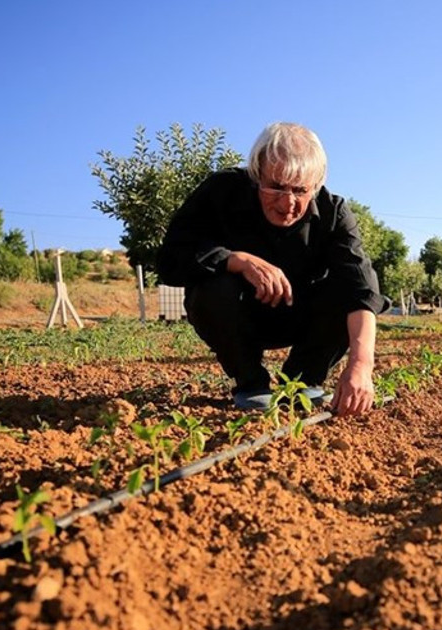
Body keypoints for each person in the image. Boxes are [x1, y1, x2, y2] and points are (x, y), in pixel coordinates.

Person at [157, 122, 388, 416]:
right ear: (257, 174)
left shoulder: (334, 213)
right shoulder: (221, 192)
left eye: (300, 190)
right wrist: (236, 260)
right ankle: (251, 384)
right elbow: (171, 259)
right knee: (211, 286)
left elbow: (362, 292)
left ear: (315, 186)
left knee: (344, 290)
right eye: (275, 186)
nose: (287, 203)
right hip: (240, 316)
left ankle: (303, 381)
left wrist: (361, 365)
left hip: (303, 318)